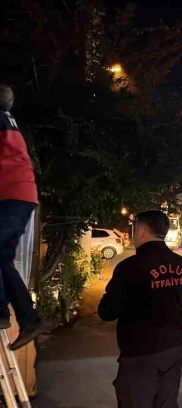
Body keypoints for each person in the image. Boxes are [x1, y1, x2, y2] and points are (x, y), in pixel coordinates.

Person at [98, 210, 182, 407]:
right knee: (166, 403)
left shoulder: (129, 268)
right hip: (173, 349)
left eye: (134, 230)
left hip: (140, 353)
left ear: (142, 231)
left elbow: (107, 312)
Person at [0, 84, 52, 350]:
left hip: (10, 195)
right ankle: (29, 320)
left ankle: (4, 312)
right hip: (22, 194)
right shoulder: (8, 121)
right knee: (3, 259)